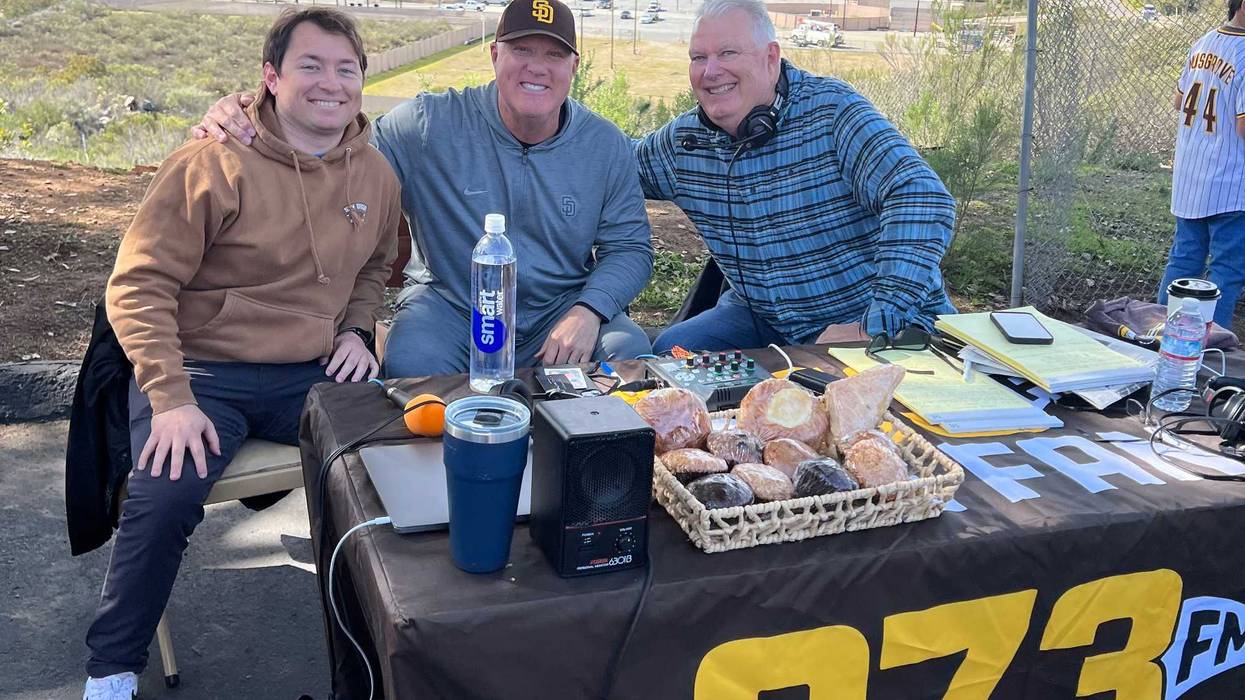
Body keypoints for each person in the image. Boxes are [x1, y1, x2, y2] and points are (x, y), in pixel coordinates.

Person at [81, 9, 400, 698]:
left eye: (346, 69)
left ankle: (381, 659)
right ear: (270, 76)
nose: (330, 83)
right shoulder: (211, 161)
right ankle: (110, 672)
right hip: (202, 371)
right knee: (164, 491)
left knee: (394, 460)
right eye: (310, 65)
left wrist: (356, 330)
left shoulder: (374, 174)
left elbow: (376, 266)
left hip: (308, 374)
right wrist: (168, 399)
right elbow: (138, 285)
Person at [193, 0, 654, 376]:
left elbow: (630, 247)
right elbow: (335, 145)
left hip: (559, 309)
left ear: (574, 65)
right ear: (495, 55)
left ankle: (597, 484)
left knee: (631, 354)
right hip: (451, 307)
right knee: (413, 367)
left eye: (553, 55)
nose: (537, 67)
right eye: (521, 50)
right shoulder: (430, 123)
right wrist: (252, 111)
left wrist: (589, 311)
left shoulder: (605, 145)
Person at [635, 0, 957, 353]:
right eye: (699, 58)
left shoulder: (833, 113)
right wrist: (563, 108)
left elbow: (921, 198)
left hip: (878, 322)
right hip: (767, 318)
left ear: (771, 57)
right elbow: (608, 165)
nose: (710, 71)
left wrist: (877, 320)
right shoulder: (685, 143)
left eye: (727, 53)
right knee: (674, 355)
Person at [1158, 0, 1245, 329]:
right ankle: (1210, 350)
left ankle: (1159, 341)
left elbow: (1179, 100)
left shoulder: (1203, 42)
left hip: (1192, 178)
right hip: (1233, 185)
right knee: (1227, 272)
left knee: (1183, 262)